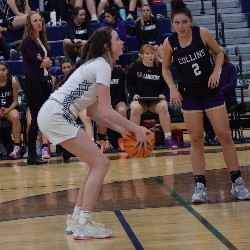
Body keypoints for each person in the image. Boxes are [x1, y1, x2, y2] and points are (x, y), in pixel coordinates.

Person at [37, 27, 150, 239]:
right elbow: (107, 110)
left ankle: (77, 219)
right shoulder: (102, 66)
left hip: (52, 114)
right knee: (102, 163)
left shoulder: (96, 65)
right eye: (117, 39)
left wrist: (122, 130)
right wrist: (136, 128)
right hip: (56, 116)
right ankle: (85, 223)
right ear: (107, 46)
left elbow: (94, 111)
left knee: (95, 163)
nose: (122, 42)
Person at [162, 0, 250, 203]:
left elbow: (219, 53)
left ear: (190, 21)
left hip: (211, 92)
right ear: (172, 24)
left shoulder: (202, 33)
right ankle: (200, 187)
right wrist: (173, 89)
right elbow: (165, 69)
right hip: (190, 95)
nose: (181, 26)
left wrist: (217, 71)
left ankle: (237, 183)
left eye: (184, 22)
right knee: (196, 139)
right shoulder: (169, 43)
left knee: (224, 135)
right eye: (177, 22)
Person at [127, 44, 178, 149]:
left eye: (152, 53)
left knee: (163, 106)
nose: (150, 56)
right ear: (141, 55)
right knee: (135, 108)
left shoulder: (160, 67)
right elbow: (129, 84)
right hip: (141, 101)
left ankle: (168, 138)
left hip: (155, 101)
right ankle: (133, 139)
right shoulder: (135, 67)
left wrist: (163, 94)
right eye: (147, 53)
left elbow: (166, 84)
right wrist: (133, 95)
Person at [21, 11, 52, 165]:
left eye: (40, 20)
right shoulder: (28, 41)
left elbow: (45, 62)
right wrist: (45, 62)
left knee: (46, 116)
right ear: (29, 23)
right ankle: (31, 153)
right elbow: (38, 63)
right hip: (32, 82)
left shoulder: (39, 39)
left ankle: (51, 148)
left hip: (42, 81)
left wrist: (46, 62)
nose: (39, 23)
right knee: (36, 118)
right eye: (35, 20)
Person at [204, 48, 238, 145]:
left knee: (215, 108)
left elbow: (232, 84)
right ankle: (209, 136)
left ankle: (218, 135)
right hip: (214, 97)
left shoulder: (230, 67)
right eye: (213, 56)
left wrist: (220, 91)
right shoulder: (211, 68)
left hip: (228, 97)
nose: (215, 58)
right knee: (204, 108)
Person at [97, 65, 128, 152]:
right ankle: (102, 140)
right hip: (103, 101)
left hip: (118, 100)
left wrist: (112, 105)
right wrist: (106, 105)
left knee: (122, 110)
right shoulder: (98, 74)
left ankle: (122, 139)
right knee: (101, 112)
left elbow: (121, 91)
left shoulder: (119, 73)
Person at [0, 61, 21, 158]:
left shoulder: (12, 81)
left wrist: (7, 110)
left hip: (9, 109)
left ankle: (17, 147)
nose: (1, 72)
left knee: (16, 116)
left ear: (7, 70)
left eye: (3, 70)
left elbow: (15, 102)